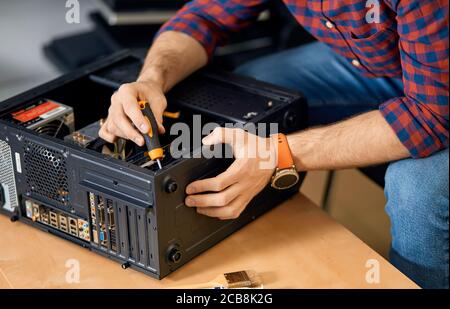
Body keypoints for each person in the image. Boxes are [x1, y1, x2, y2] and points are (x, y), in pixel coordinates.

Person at [99, 1, 449, 288]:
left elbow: (430, 115)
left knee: (416, 191)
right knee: (250, 96)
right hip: (392, 65)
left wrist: (281, 154)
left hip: (437, 98)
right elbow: (205, 17)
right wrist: (151, 80)